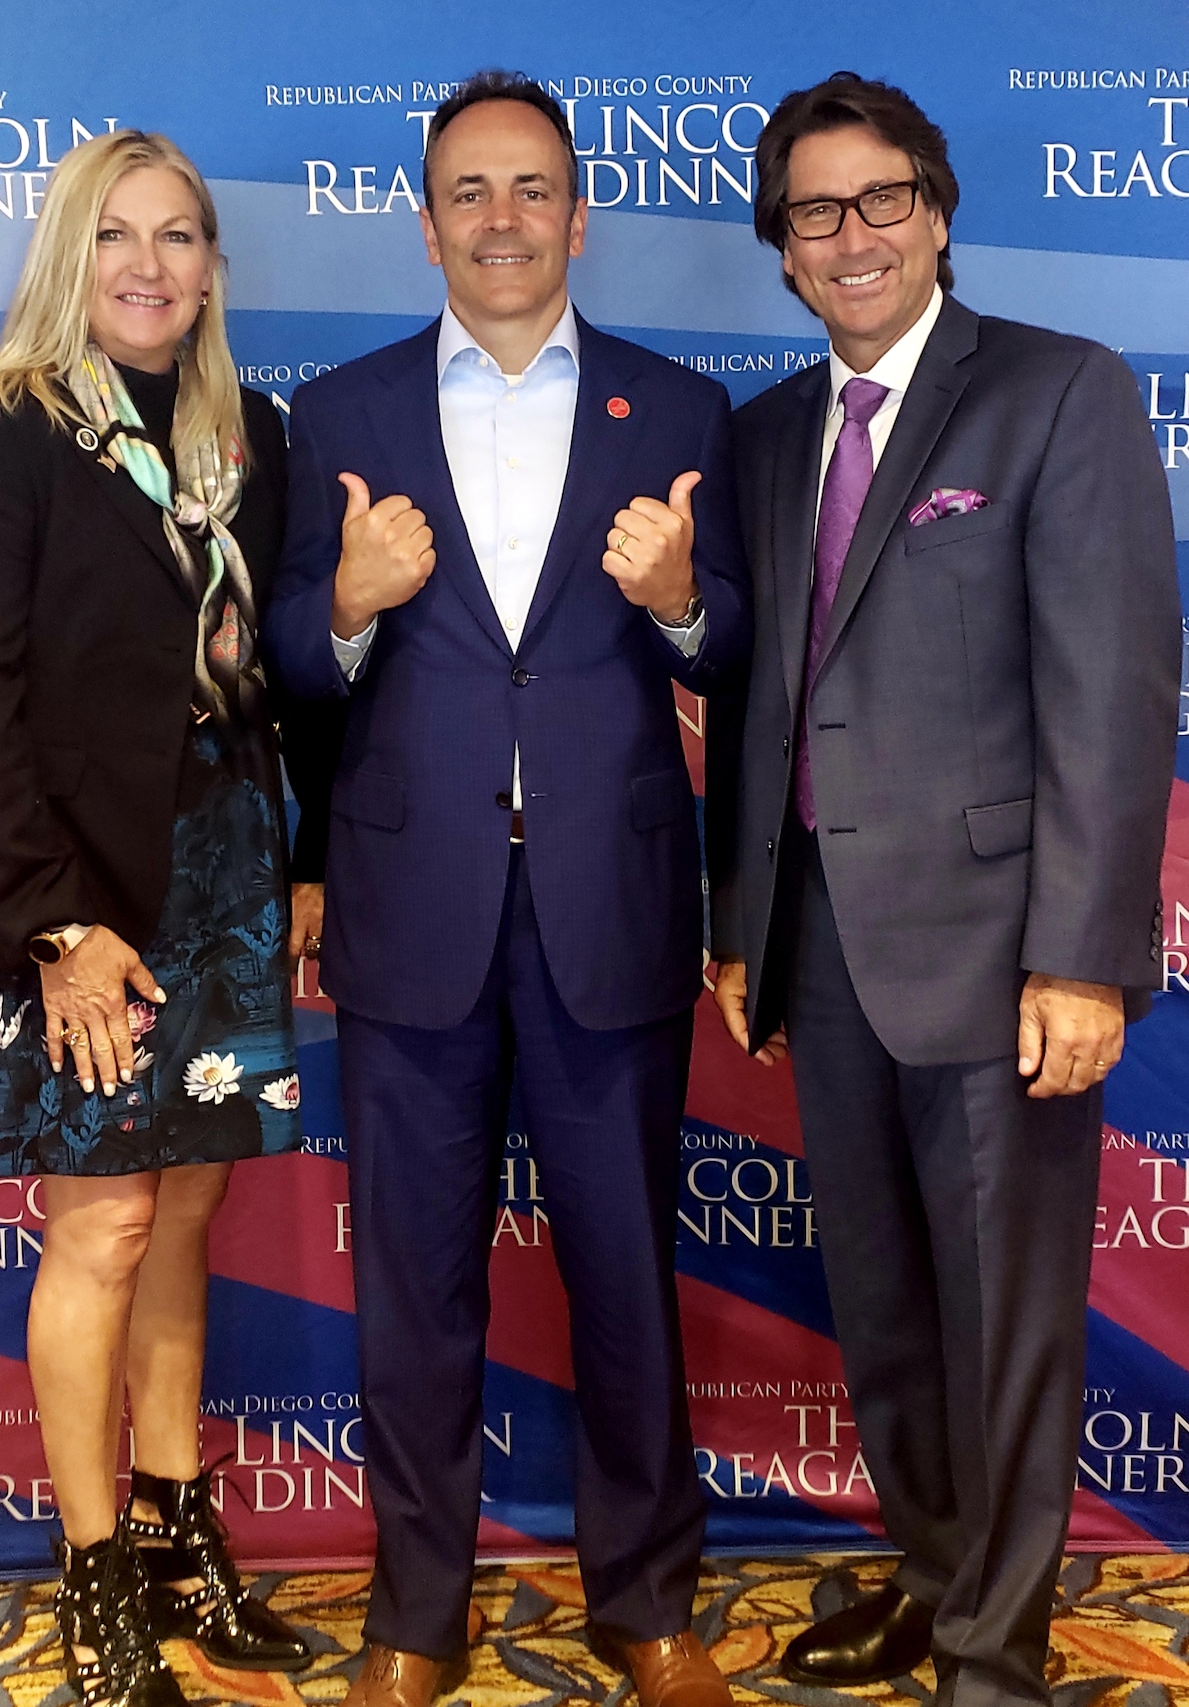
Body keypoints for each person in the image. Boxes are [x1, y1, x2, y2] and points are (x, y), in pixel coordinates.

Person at [266, 68, 751, 1707]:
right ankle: (416, 1614)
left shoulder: (681, 413)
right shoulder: (334, 415)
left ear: (577, 212)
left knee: (626, 1271)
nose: (500, 219)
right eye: (467, 192)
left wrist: (687, 605)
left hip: (611, 910)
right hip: (416, 915)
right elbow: (286, 669)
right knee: (415, 1285)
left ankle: (649, 1601)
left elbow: (740, 648)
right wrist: (345, 600)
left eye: (530, 188)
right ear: (424, 224)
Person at [706, 72, 1179, 1706]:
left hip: (1000, 954)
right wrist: (736, 931)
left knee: (1005, 1324)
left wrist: (1085, 960)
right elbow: (764, 698)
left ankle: (997, 1651)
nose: (854, 238)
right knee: (888, 1308)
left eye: (883, 199)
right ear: (781, 251)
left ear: (940, 211)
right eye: (817, 213)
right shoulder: (769, 436)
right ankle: (932, 1577)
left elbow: (1113, 700)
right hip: (822, 944)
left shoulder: (1062, 394)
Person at [0, 130, 329, 1707]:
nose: (150, 267)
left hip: (221, 868)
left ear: (214, 265)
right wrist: (54, 924)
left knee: (187, 1217)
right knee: (101, 1227)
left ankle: (177, 1533)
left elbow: (282, 670)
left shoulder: (254, 433)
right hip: (67, 894)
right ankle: (92, 1576)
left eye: (179, 238)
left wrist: (306, 867)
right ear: (67, 260)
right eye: (116, 238)